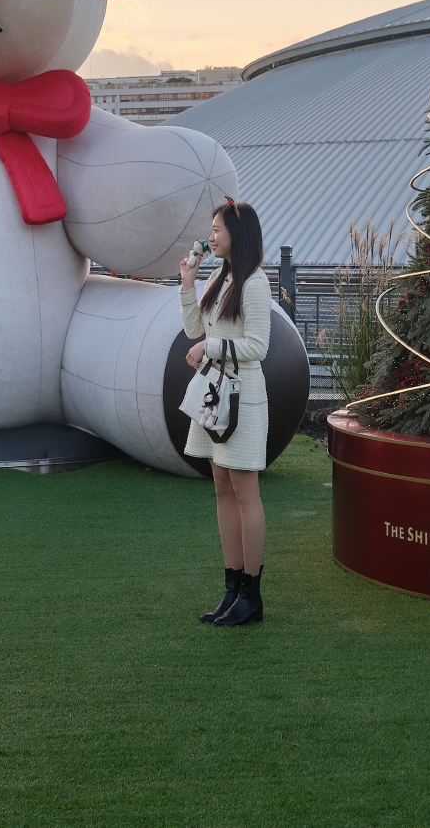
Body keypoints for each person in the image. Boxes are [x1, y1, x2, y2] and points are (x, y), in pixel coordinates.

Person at [179, 198, 271, 627]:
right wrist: (188, 285)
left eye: (217, 229)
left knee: (245, 493)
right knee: (222, 488)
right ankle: (232, 590)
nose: (210, 236)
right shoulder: (221, 277)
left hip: (242, 397)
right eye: (212, 229)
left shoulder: (255, 282)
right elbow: (194, 330)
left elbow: (258, 346)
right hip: (215, 394)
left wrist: (210, 347)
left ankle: (251, 595)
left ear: (238, 233)